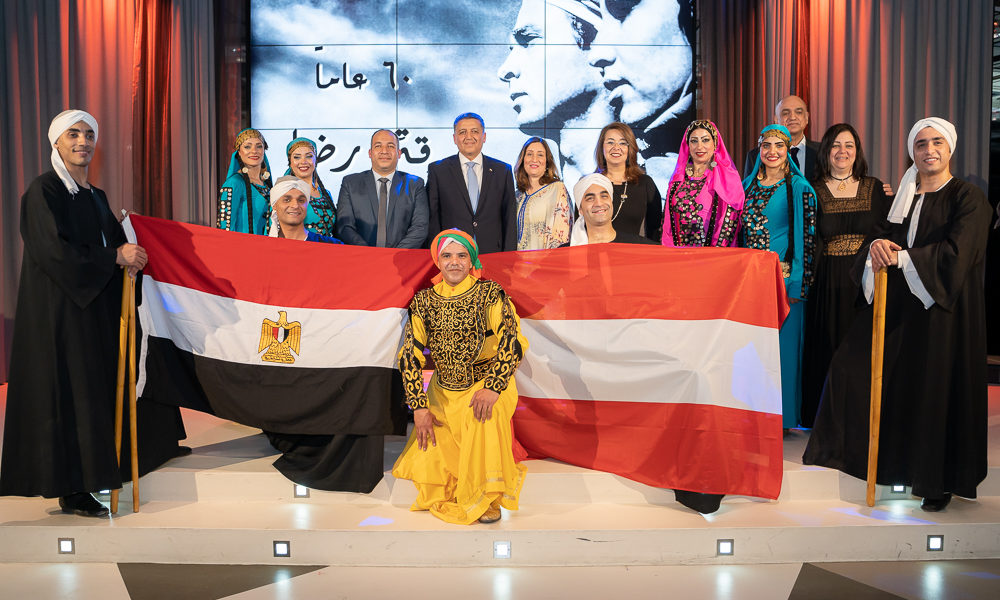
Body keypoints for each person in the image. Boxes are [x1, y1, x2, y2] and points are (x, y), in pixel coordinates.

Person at [0, 110, 184, 516]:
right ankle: (71, 488)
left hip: (93, 315)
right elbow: (54, 252)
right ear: (57, 142)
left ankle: (91, 479)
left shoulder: (96, 196)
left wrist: (131, 259)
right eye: (73, 134)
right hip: (59, 317)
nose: (82, 141)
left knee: (92, 397)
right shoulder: (43, 191)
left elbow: (116, 246)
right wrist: (114, 257)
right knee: (68, 398)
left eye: (88, 134)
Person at [803, 118, 991, 512]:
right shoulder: (902, 201)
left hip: (945, 316)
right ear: (912, 152)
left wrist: (904, 258)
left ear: (950, 148)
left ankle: (935, 481)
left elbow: (957, 256)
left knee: (935, 393)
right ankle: (872, 459)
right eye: (920, 144)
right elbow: (879, 238)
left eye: (936, 143)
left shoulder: (968, 198)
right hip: (901, 309)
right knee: (851, 368)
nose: (929, 151)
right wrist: (875, 250)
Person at [391, 229, 528, 524]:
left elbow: (512, 340)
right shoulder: (423, 301)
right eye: (447, 256)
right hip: (442, 388)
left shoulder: (490, 293)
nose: (454, 262)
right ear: (438, 261)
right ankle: (455, 488)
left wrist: (493, 387)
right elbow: (409, 355)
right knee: (432, 430)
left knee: (482, 416)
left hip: (487, 382)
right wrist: (419, 407)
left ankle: (487, 497)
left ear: (471, 260)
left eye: (462, 255)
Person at [800, 124, 889, 427]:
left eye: (849, 145)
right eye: (836, 145)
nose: (842, 151)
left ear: (857, 151)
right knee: (828, 347)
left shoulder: (876, 188)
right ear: (826, 151)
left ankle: (863, 417)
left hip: (865, 281)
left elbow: (887, 232)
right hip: (827, 281)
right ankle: (826, 419)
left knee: (862, 348)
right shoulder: (811, 190)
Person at [740, 124, 817, 429]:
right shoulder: (746, 185)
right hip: (749, 283)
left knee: (782, 352)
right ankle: (752, 414)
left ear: (788, 151)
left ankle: (781, 420)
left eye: (779, 145)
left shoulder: (799, 187)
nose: (772, 151)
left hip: (783, 283)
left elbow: (807, 239)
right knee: (752, 351)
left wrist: (798, 284)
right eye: (766, 145)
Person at [497, 0, 615, 187]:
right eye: (512, 49)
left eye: (529, 41)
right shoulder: (528, 200)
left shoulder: (651, 193)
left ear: (597, 44)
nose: (504, 70)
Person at [426, 113, 516, 253]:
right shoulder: (438, 170)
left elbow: (509, 218)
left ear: (484, 137)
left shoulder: (502, 170)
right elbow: (433, 220)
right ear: (454, 138)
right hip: (453, 256)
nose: (468, 137)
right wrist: (437, 254)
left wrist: (508, 256)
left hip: (493, 254)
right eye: (462, 132)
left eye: (474, 131)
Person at [336, 129, 429, 248]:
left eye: (390, 146)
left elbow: (420, 227)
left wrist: (394, 255)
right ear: (370, 153)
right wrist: (369, 254)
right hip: (361, 256)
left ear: (399, 153)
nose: (384, 151)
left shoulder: (415, 184)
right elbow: (344, 226)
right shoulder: (350, 183)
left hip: (401, 257)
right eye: (378, 146)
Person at [661, 119, 745, 247]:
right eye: (694, 141)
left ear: (715, 144)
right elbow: (667, 225)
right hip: (678, 255)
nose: (699, 146)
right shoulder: (678, 180)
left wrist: (711, 255)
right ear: (688, 145)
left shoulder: (727, 179)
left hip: (713, 255)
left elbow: (728, 227)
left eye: (705, 140)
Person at [593, 122, 662, 242]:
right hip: (598, 251)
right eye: (610, 142)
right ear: (601, 147)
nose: (616, 147)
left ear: (630, 148)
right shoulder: (591, 184)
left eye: (623, 143)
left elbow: (654, 230)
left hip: (634, 252)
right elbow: (580, 229)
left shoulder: (645, 183)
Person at [513, 137, 572, 250]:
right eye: (529, 154)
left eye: (540, 155)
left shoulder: (557, 189)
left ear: (547, 162)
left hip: (547, 259)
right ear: (523, 160)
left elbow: (562, 236)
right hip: (515, 260)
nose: (534, 159)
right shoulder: (517, 195)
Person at [566, 173, 654, 246]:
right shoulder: (563, 253)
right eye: (590, 198)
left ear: (611, 202)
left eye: (604, 196)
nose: (599, 203)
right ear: (580, 209)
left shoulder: (641, 247)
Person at [744, 96, 819, 181]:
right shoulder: (756, 156)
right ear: (776, 120)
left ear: (807, 118)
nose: (793, 117)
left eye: (798, 112)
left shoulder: (822, 152)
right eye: (785, 113)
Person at [217, 128, 273, 235]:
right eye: (247, 147)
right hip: (244, 244)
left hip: (267, 244)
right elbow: (226, 228)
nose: (254, 151)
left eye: (259, 146)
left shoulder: (266, 184)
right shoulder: (235, 183)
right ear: (239, 152)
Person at [285, 137, 337, 237]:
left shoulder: (326, 193)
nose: (303, 161)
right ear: (290, 163)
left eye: (309, 156)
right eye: (297, 157)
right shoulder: (284, 193)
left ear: (315, 160)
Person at [267, 175, 343, 244]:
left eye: (301, 200)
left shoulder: (333, 246)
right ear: (274, 205)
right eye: (287, 200)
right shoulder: (264, 246)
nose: (295, 205)